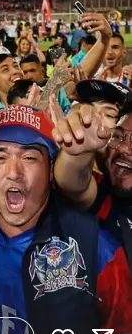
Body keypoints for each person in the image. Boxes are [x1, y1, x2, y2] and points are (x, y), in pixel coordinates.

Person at [0, 106, 132, 334]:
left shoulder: (93, 245)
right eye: (0, 157)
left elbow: (125, 331)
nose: (14, 172)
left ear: (50, 170)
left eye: (30, 158)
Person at [53, 94, 132, 267]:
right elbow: (73, 184)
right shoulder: (106, 199)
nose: (124, 148)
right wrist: (77, 152)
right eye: (118, 136)